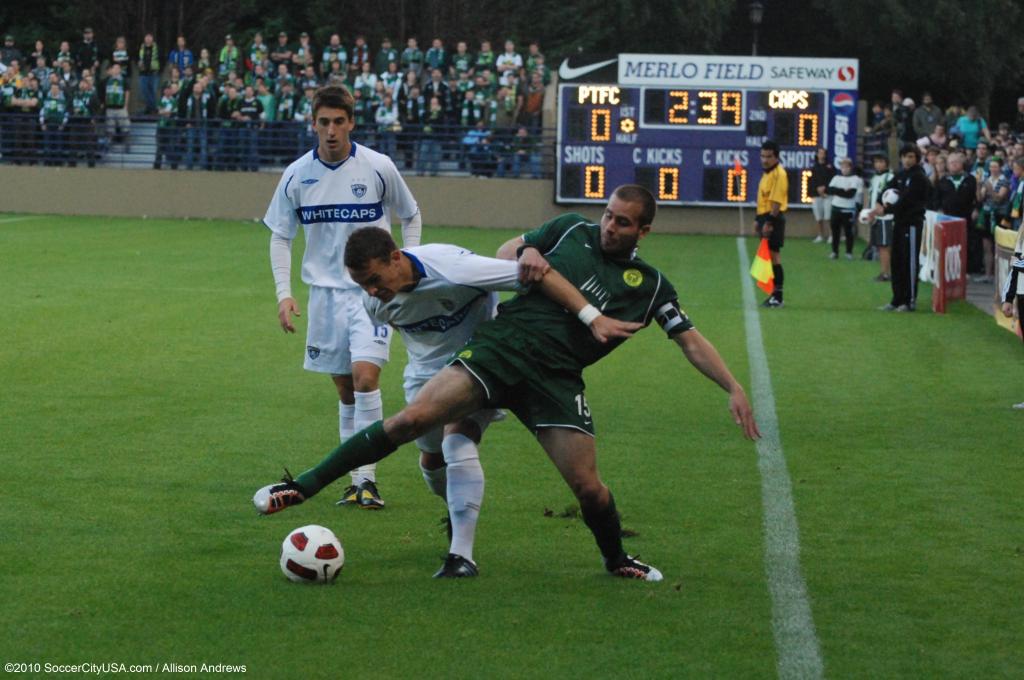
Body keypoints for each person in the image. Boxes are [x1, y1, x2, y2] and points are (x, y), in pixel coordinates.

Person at [254, 184, 761, 582]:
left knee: (587, 485)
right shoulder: (569, 231)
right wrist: (525, 254)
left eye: (622, 222)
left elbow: (690, 339)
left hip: (557, 377)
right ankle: (302, 486)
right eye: (607, 215)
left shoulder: (650, 287)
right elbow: (511, 250)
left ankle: (616, 559)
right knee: (415, 421)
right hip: (502, 348)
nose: (609, 226)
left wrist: (734, 386)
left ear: (643, 231)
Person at [341, 227, 589, 576]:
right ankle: (458, 513)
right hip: (424, 380)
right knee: (431, 459)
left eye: (374, 279)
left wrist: (589, 314)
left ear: (395, 257)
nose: (370, 290)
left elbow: (534, 276)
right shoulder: (374, 302)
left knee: (457, 441)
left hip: (481, 365)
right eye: (361, 283)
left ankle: (461, 555)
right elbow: (402, 326)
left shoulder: (455, 268)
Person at [264, 85, 422, 509]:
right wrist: (284, 293)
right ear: (313, 123)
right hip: (324, 297)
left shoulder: (378, 166)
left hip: (371, 293)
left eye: (339, 122)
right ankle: (355, 481)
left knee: (366, 377)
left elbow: (410, 214)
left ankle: (367, 481)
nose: (331, 130)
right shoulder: (297, 174)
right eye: (324, 122)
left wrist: (407, 266)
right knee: (345, 390)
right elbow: (281, 235)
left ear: (352, 122)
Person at [870, 144, 930, 312]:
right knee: (896, 261)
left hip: (912, 224)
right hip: (899, 223)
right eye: (904, 156)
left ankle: (909, 300)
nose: (907, 160)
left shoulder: (919, 177)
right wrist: (879, 204)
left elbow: (907, 200)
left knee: (909, 263)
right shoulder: (900, 175)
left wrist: (886, 209)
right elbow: (887, 189)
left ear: (916, 158)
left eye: (911, 156)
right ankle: (896, 299)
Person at [754, 140, 788, 307]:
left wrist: (769, 222)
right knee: (769, 256)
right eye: (762, 156)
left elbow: (776, 203)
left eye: (768, 156)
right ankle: (773, 294)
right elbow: (763, 199)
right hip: (764, 216)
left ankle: (778, 296)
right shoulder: (767, 173)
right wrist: (757, 219)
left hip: (772, 218)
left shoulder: (779, 174)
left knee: (774, 257)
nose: (764, 160)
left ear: (776, 157)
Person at [1000, 225, 1024, 409]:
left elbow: (1018, 264)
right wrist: (1009, 298)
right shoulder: (1021, 236)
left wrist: (1018, 261)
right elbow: (1016, 268)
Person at [825, 157, 863, 260]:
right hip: (836, 208)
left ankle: (849, 252)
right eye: (842, 166)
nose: (844, 169)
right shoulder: (836, 178)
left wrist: (838, 191)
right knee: (835, 232)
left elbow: (850, 194)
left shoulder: (855, 179)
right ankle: (834, 252)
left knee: (848, 232)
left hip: (848, 209)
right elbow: (829, 190)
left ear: (850, 168)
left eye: (846, 167)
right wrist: (842, 190)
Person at [866, 154, 894, 281]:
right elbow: (872, 196)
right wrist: (869, 212)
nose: (878, 164)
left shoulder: (890, 177)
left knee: (885, 246)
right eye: (876, 161)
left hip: (886, 216)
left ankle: (885, 273)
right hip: (877, 215)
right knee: (881, 245)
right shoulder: (874, 178)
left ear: (886, 163)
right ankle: (885, 272)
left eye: (881, 161)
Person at [810, 147, 835, 243]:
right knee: (818, 217)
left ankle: (831, 236)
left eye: (823, 153)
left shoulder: (830, 167)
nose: (822, 155)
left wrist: (825, 189)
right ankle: (820, 235)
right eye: (820, 153)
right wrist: (818, 189)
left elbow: (833, 181)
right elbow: (812, 182)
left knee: (828, 217)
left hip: (828, 195)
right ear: (817, 155)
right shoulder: (814, 167)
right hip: (816, 196)